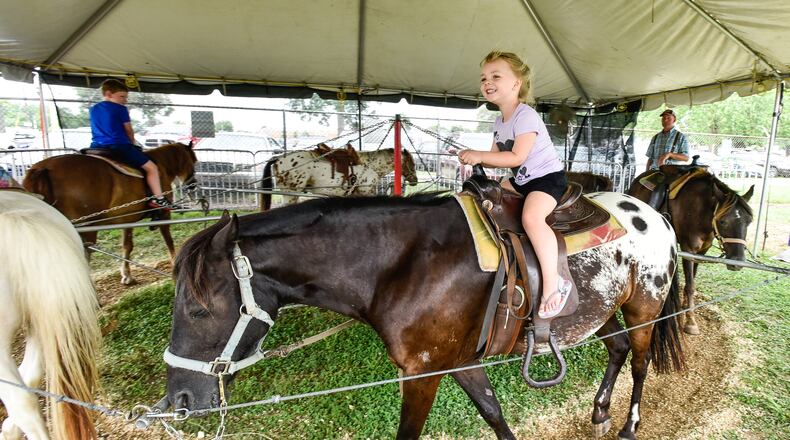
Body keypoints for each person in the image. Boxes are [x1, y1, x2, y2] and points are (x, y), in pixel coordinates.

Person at [459, 50, 571, 319]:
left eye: (496, 75)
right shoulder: (500, 121)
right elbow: (497, 158)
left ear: (516, 83)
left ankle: (554, 285)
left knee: (532, 219)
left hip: (546, 179)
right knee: (482, 201)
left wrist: (479, 155)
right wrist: (474, 160)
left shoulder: (526, 116)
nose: (488, 81)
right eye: (484, 77)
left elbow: (516, 156)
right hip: (521, 179)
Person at [89, 79, 178, 210]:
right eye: (122, 96)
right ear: (108, 94)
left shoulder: (93, 109)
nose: (125, 100)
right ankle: (159, 199)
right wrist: (132, 143)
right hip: (118, 146)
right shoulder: (120, 109)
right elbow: (128, 130)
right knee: (152, 168)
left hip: (96, 147)